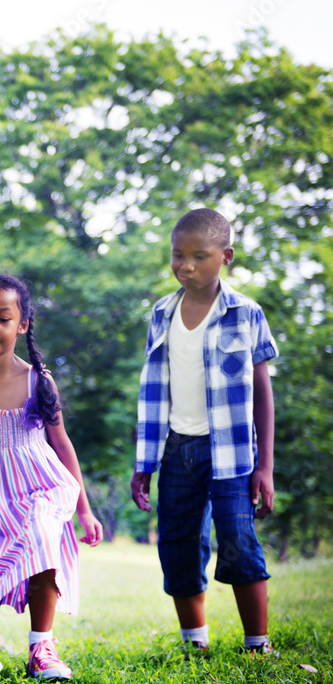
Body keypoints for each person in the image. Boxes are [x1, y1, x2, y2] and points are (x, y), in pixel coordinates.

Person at [0, 274, 104, 679]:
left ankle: (40, 648)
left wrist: (84, 510)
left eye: (3, 318)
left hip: (37, 487)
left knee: (44, 542)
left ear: (22, 324)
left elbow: (62, 446)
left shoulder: (37, 381)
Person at [130, 208, 278, 656]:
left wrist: (266, 467)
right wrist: (144, 465)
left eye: (199, 256)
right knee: (177, 542)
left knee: (237, 539)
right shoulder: (161, 313)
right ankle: (195, 642)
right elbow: (153, 391)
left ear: (225, 256)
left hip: (231, 452)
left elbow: (262, 393)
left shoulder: (246, 313)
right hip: (176, 449)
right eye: (178, 255)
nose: (186, 266)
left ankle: (258, 643)